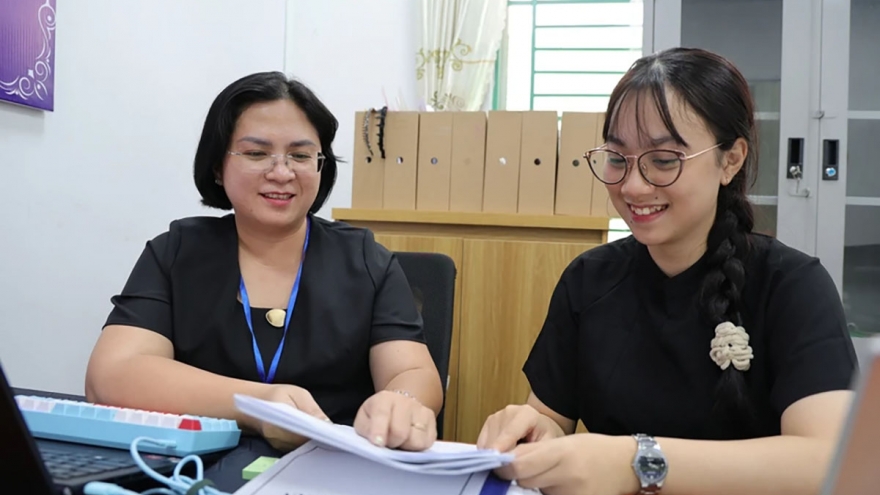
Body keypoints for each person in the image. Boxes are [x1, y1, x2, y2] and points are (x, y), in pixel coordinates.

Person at [476, 47, 858, 495]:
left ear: (730, 160)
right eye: (617, 159)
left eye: (663, 161)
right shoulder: (589, 280)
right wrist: (532, 429)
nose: (633, 186)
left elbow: (825, 461)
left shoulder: (791, 285)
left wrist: (637, 460)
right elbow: (552, 419)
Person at [85, 72, 444, 488]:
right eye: (257, 153)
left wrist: (400, 402)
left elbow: (412, 372)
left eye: (301, 155)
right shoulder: (178, 252)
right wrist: (259, 405)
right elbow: (111, 376)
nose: (282, 172)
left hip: (333, 477)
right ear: (218, 166)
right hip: (191, 475)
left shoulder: (365, 260)